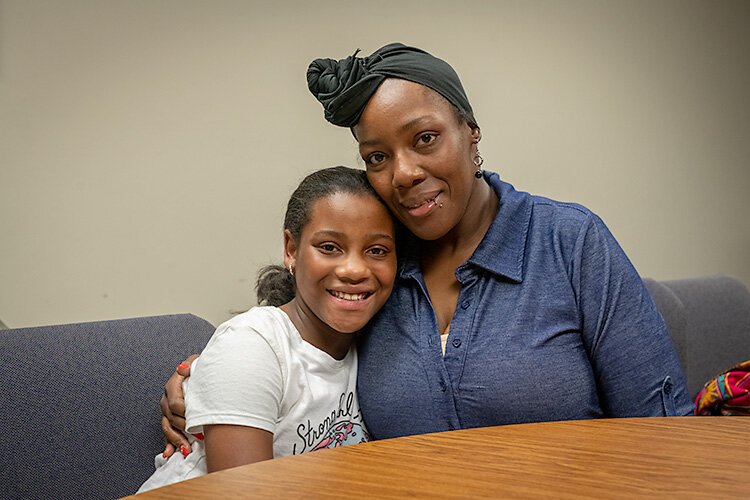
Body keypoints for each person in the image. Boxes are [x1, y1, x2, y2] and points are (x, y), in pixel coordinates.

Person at [160, 43, 692, 456]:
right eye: (377, 157)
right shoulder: (379, 265)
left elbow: (665, 432)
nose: (404, 173)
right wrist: (206, 379)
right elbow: (305, 345)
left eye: (425, 139)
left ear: (471, 131)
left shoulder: (569, 242)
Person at [137, 166, 397, 492]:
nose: (355, 269)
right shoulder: (252, 346)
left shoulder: (373, 345)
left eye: (377, 251)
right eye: (329, 247)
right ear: (291, 249)